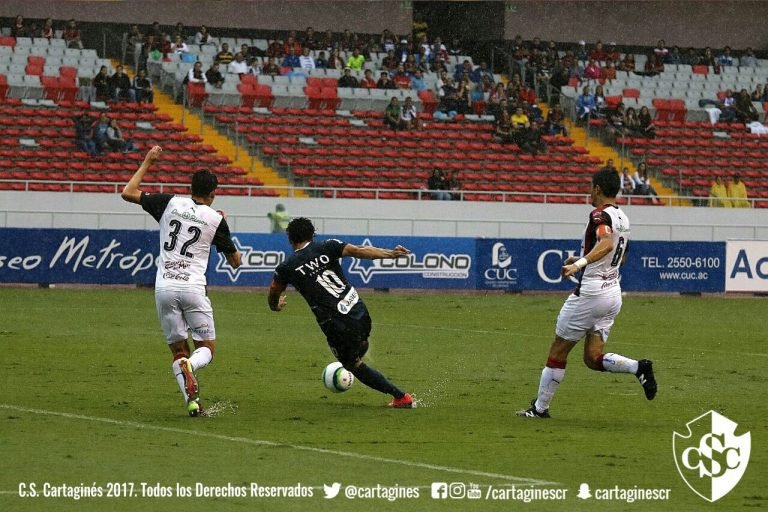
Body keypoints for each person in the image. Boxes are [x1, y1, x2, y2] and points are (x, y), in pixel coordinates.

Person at [516, 168, 657, 419]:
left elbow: (606, 243)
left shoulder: (599, 215)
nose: (589, 192)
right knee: (593, 358)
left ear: (598, 189)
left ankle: (540, 409)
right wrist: (583, 259)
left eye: (591, 187)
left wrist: (579, 264)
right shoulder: (623, 217)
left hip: (591, 295)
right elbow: (620, 256)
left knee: (558, 351)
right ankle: (638, 368)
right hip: (612, 293)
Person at [121, 146, 242, 417]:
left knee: (179, 351)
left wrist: (148, 161)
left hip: (164, 287)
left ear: (190, 188)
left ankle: (193, 403)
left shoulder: (170, 203)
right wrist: (222, 228)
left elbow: (128, 192)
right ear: (213, 194)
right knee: (206, 348)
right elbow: (235, 261)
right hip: (193, 288)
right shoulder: (215, 219)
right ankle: (191, 368)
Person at [267, 217, 414, 408]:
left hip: (336, 323)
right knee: (358, 342)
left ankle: (401, 397)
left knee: (352, 364)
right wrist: (391, 254)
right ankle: (355, 352)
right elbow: (359, 251)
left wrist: (275, 306)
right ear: (313, 235)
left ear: (290, 239)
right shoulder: (328, 245)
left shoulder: (286, 267)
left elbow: (274, 290)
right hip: (358, 309)